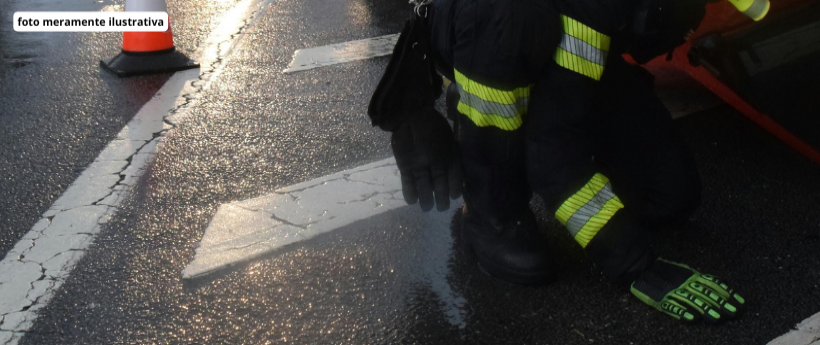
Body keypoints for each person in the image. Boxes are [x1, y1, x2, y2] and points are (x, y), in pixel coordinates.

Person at [369, 0, 763, 323]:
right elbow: (554, 159)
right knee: (509, 29)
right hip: (493, 21)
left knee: (669, 195)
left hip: (565, 20)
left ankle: (538, 95)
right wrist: (635, 264)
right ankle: (490, 207)